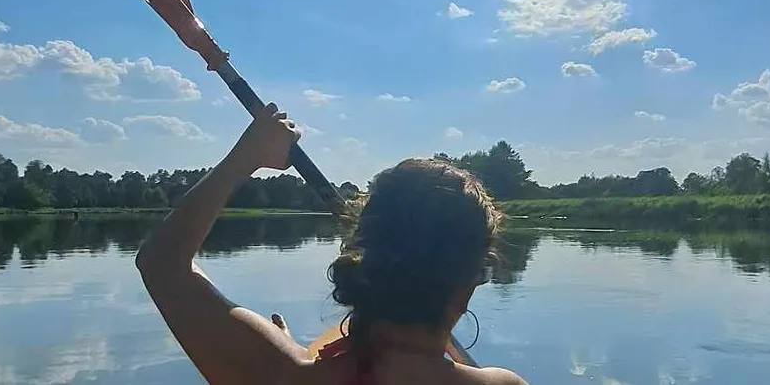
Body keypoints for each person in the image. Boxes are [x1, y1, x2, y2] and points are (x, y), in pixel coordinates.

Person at [136, 103, 528, 385]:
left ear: (363, 262)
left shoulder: (283, 375)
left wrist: (245, 158)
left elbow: (161, 264)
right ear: (469, 280)